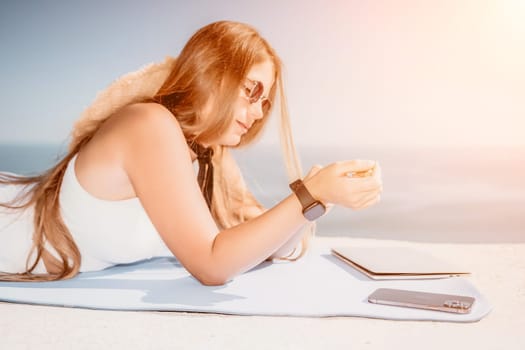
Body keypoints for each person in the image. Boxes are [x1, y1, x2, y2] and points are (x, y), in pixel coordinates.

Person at [0, 20, 382, 285]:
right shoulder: (149, 125)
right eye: (251, 91)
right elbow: (212, 265)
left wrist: (317, 199)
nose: (257, 111)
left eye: (265, 102)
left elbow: (264, 247)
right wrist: (308, 195)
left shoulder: (206, 156)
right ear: (215, 73)